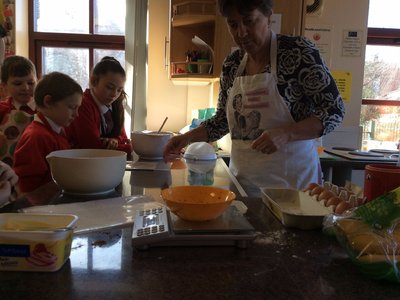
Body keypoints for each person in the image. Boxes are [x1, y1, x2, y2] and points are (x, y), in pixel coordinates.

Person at [163, 0, 345, 196]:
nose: (241, 33)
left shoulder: (298, 53)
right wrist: (184, 139)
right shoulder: (232, 65)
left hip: (294, 186)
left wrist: (287, 133)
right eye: (233, 25)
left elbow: (333, 110)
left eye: (249, 21)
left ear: (268, 17)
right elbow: (222, 121)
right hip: (244, 185)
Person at [13, 72, 83, 193]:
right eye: (72, 107)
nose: (77, 114)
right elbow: (27, 189)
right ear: (48, 102)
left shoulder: (58, 130)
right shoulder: (36, 137)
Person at [65, 56, 132, 158]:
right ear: (94, 81)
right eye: (110, 87)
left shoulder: (116, 104)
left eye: (119, 90)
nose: (114, 94)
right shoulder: (83, 105)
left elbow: (123, 137)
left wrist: (115, 141)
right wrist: (130, 148)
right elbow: (93, 148)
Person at [0, 55, 37, 166]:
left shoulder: (44, 110)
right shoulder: (2, 109)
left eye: (31, 83)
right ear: (4, 86)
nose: (25, 88)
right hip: (6, 169)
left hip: (34, 166)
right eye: (18, 83)